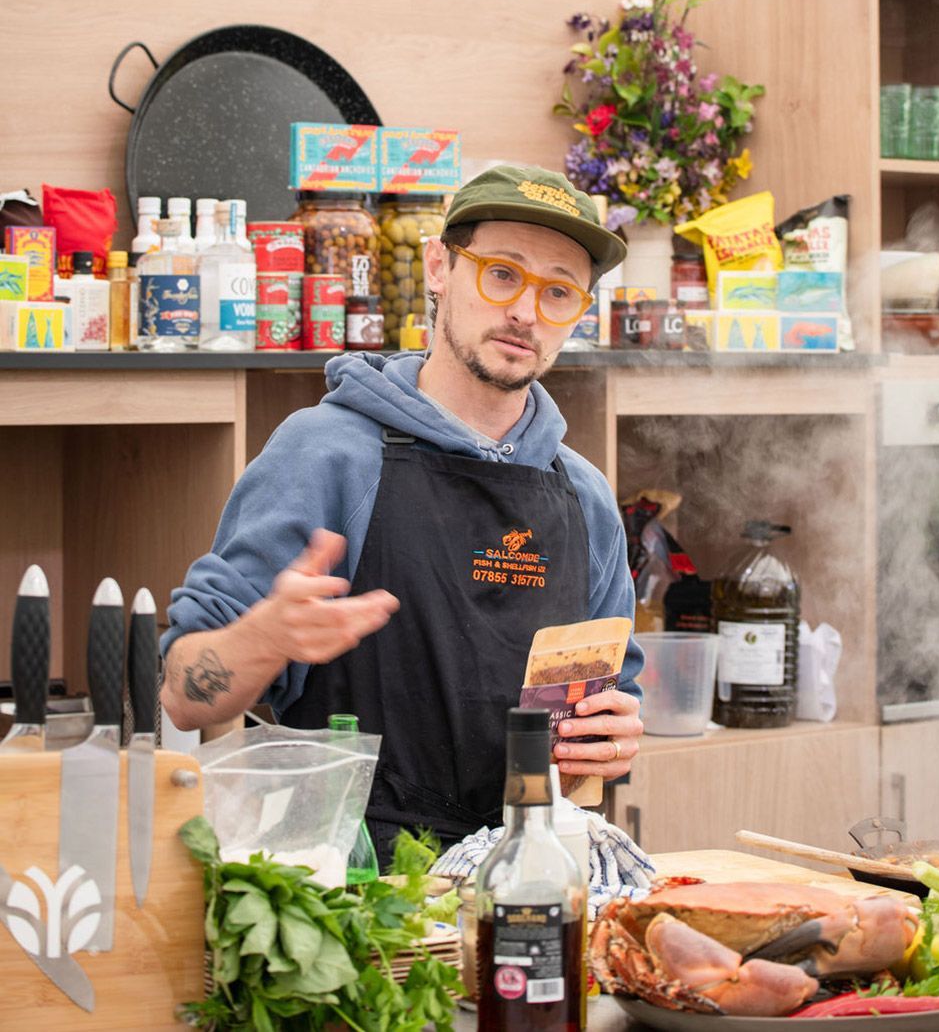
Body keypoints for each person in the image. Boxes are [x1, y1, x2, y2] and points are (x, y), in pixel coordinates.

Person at [161, 164, 644, 864]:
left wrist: (613, 738)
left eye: (559, 291)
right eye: (502, 274)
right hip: (352, 898)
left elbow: (601, 733)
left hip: (528, 891)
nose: (526, 312)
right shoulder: (327, 454)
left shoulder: (586, 499)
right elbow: (182, 694)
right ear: (439, 267)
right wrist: (263, 638)